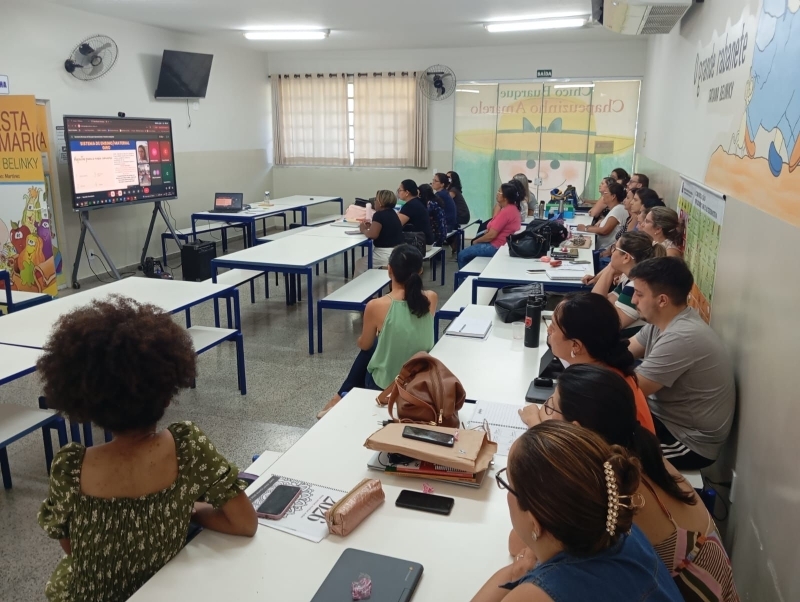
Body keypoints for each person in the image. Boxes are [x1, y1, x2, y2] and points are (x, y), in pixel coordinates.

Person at [37, 298, 257, 602]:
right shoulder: (187, 448)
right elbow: (244, 523)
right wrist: (188, 511)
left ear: (86, 405)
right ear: (167, 393)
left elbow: (71, 547)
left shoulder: (70, 468)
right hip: (167, 591)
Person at [517, 365, 740, 602]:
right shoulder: (633, 451)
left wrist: (538, 432)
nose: (544, 410)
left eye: (551, 406)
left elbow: (529, 539)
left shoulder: (609, 485)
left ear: (576, 429)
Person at [472, 421, 682, 602]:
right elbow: (516, 542)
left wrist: (518, 570)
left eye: (507, 483)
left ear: (535, 522)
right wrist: (522, 565)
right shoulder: (615, 526)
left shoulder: (541, 593)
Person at [628, 257, 736, 469]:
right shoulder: (661, 323)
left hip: (686, 442)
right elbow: (621, 353)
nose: (633, 300)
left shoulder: (682, 336)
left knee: (600, 449)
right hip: (662, 419)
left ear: (662, 300)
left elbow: (629, 391)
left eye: (639, 294)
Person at [319, 245, 437, 418]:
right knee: (379, 344)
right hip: (419, 380)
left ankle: (340, 398)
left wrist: (362, 339)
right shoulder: (431, 298)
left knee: (370, 348)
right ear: (420, 271)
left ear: (389, 270)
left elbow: (364, 344)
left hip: (385, 385)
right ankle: (338, 398)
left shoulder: (377, 305)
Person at [545, 292, 655, 433]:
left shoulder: (595, 389)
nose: (548, 330)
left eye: (553, 327)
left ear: (576, 346)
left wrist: (532, 419)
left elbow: (554, 429)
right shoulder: (601, 367)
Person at [590, 231, 667, 332]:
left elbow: (605, 324)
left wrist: (610, 268)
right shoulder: (628, 279)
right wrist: (610, 269)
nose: (612, 252)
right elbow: (599, 302)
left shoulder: (636, 287)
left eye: (615, 248)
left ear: (626, 257)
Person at [457, 182, 522, 270]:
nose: (497, 193)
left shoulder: (506, 212)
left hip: (496, 246)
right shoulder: (512, 208)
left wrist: (476, 241)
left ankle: (464, 280)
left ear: (505, 198)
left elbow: (491, 236)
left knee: (462, 255)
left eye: (499, 192)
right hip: (502, 243)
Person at [355, 189, 405, 275]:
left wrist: (363, 229)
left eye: (375, 200)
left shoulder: (378, 215)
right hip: (397, 250)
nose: (374, 202)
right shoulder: (393, 213)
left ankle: (358, 287)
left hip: (384, 253)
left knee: (360, 264)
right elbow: (385, 227)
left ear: (381, 203)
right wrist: (371, 226)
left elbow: (373, 235)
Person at [577, 181, 628, 249]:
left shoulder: (618, 209)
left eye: (605, 193)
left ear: (613, 196)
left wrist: (585, 229)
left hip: (605, 249)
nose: (603, 195)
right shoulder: (615, 209)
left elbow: (604, 231)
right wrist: (590, 227)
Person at [397, 179, 434, 246]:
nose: (398, 192)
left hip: (420, 243)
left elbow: (396, 223)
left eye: (400, 190)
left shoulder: (410, 205)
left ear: (407, 192)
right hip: (425, 240)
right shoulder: (416, 202)